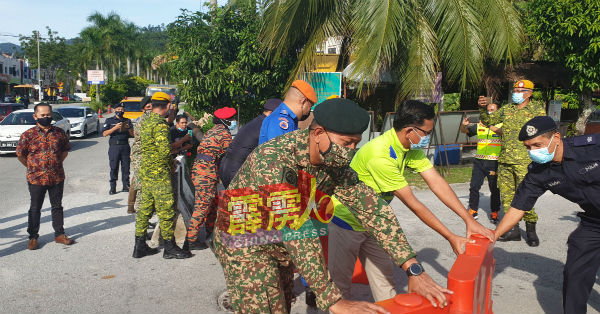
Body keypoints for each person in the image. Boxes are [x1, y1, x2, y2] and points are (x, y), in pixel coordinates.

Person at [214, 98, 453, 314]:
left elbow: (373, 210)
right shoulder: (273, 161)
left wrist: (413, 268)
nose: (350, 152)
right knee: (264, 307)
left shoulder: (332, 160)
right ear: (318, 133)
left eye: (355, 144)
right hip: (245, 241)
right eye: (346, 143)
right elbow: (297, 229)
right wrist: (332, 299)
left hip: (278, 243)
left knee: (282, 305)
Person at [328, 100, 494, 302]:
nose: (427, 137)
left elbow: (436, 182)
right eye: (426, 133)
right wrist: (450, 236)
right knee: (339, 287)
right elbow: (414, 204)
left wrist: (469, 220)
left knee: (385, 281)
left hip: (374, 224)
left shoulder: (407, 148)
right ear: (410, 131)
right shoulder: (379, 155)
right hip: (346, 222)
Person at [495, 116, 600, 314]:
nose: (533, 152)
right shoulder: (538, 173)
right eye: (528, 147)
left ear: (557, 137)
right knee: (575, 272)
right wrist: (494, 234)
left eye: (537, 145)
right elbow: (519, 206)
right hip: (594, 221)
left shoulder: (591, 148)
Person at [480, 79, 546, 246]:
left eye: (520, 91)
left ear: (529, 93)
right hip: (505, 161)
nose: (516, 93)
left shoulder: (537, 109)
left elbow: (545, 131)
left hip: (525, 161)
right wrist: (483, 108)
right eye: (515, 90)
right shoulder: (507, 109)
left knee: (525, 195)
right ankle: (513, 230)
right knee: (508, 197)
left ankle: (531, 230)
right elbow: (489, 121)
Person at [133, 92, 191, 259]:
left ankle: (139, 245)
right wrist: (171, 165)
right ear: (166, 107)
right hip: (159, 174)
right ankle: (170, 247)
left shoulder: (145, 121)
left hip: (146, 172)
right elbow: (165, 152)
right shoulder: (160, 125)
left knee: (145, 209)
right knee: (166, 211)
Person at [16, 103, 74, 250]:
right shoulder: (28, 135)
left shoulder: (59, 133)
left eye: (48, 115)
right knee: (35, 208)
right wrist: (32, 167)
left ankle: (59, 235)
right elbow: (20, 154)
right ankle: (33, 237)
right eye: (42, 115)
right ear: (35, 116)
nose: (46, 117)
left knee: (57, 206)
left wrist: (55, 164)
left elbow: (65, 151)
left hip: (57, 177)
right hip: (36, 178)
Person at [186, 107, 237, 250]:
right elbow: (229, 156)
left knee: (212, 205)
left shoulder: (213, 130)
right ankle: (191, 239)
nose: (234, 122)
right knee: (202, 205)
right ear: (225, 121)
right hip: (206, 172)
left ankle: (211, 233)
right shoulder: (223, 134)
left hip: (203, 169)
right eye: (232, 119)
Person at [219, 98, 281, 188]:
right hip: (237, 169)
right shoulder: (266, 124)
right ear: (272, 113)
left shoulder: (257, 121)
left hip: (226, 166)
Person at [460, 101, 503, 223]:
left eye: (492, 110)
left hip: (493, 162)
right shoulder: (480, 125)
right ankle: (473, 210)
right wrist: (464, 125)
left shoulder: (502, 124)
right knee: (474, 186)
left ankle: (494, 212)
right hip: (479, 161)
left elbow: (502, 133)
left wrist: (490, 126)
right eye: (488, 110)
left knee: (494, 189)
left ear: (498, 112)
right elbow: (465, 131)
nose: (489, 112)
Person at [258, 80, 315, 144]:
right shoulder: (280, 121)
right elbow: (279, 151)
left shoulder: (289, 119)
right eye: (310, 106)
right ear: (303, 101)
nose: (308, 111)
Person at [127, 96, 152, 214]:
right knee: (139, 182)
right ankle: (137, 211)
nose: (150, 109)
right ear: (143, 109)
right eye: (148, 107)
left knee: (137, 180)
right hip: (140, 155)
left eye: (152, 107)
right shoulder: (143, 120)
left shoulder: (152, 119)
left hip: (145, 155)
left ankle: (135, 208)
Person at [102, 103, 134, 195]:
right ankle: (113, 187)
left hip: (125, 146)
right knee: (114, 167)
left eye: (122, 109)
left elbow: (133, 135)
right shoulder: (109, 120)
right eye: (118, 109)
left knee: (126, 167)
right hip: (114, 147)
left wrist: (128, 129)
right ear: (114, 110)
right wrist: (115, 128)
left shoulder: (127, 121)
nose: (120, 111)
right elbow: (104, 134)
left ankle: (125, 186)